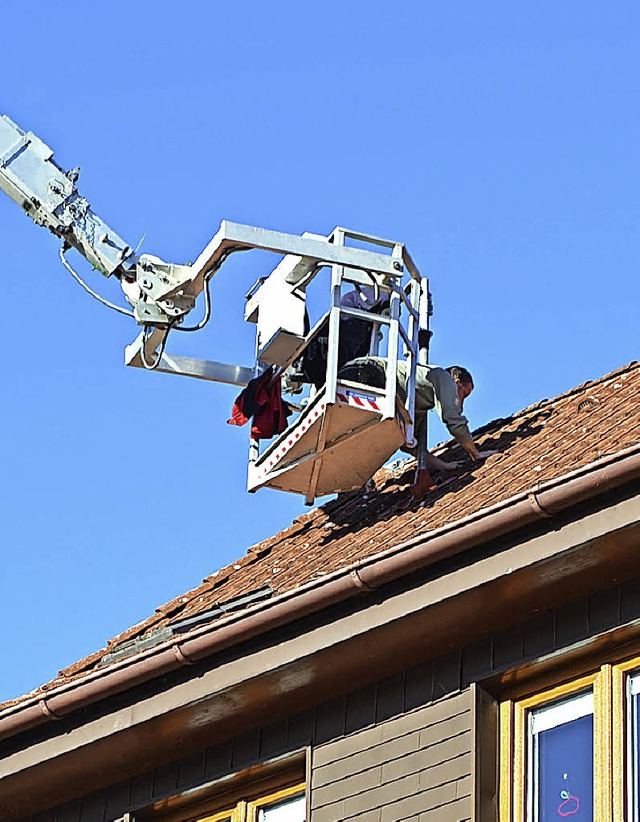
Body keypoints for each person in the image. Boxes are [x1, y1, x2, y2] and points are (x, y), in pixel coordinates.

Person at [338, 358, 497, 498]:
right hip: (367, 373)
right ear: (456, 382)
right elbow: (453, 420)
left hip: (352, 374)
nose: (461, 402)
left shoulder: (415, 402)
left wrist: (443, 465)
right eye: (463, 394)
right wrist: (475, 453)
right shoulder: (444, 377)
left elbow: (412, 446)